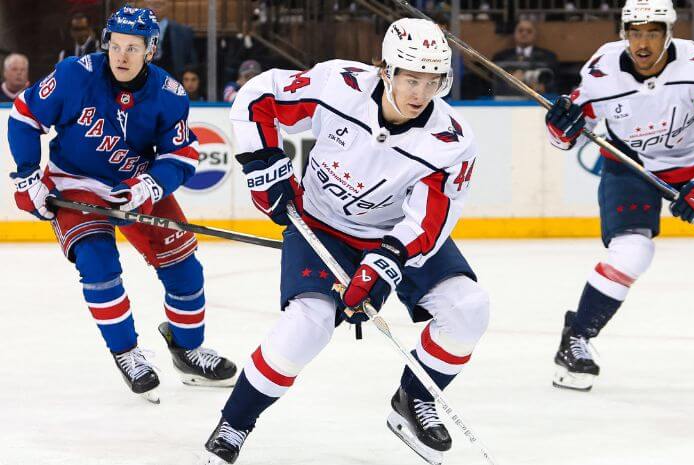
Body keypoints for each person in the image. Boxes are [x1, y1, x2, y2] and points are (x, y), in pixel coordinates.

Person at [199, 17, 490, 465]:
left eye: (432, 81)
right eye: (411, 79)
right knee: (307, 326)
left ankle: (413, 399)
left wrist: (384, 263)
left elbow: (430, 221)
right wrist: (263, 165)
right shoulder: (339, 85)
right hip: (320, 224)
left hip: (395, 234)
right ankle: (234, 423)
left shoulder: (451, 140)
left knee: (468, 308)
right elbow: (257, 97)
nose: (420, 93)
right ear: (386, 70)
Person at [544, 0, 694, 391]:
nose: (643, 44)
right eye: (635, 33)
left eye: (652, 33)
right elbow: (571, 129)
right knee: (632, 252)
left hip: (693, 163)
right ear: (624, 34)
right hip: (631, 165)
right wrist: (559, 128)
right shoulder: (602, 71)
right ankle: (576, 340)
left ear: (669, 33)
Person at [6, 5, 237, 403]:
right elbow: (25, 116)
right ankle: (127, 353)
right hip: (75, 183)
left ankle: (188, 350)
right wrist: (28, 177)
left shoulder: (169, 94)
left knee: (184, 267)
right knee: (98, 264)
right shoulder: (75, 74)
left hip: (135, 185)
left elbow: (180, 156)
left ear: (150, 50)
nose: (122, 56)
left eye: (133, 48)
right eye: (115, 46)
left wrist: (149, 186)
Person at [492, 19, 559, 95]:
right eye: (520, 31)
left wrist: (544, 87)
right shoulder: (500, 57)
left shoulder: (549, 57)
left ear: (535, 35)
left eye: (529, 31)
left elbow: (556, 83)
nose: (524, 34)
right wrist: (509, 80)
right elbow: (493, 82)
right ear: (514, 33)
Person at [144, 0, 197, 77]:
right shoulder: (134, 31)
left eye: (158, 4)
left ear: (168, 5)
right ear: (145, 5)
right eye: (151, 4)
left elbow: (191, 65)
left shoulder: (183, 32)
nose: (154, 8)